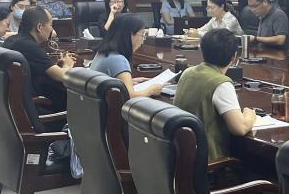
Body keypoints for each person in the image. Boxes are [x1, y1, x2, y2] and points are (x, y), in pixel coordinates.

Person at [174, 28, 257, 161]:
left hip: (182, 157)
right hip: (208, 162)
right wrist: (250, 115)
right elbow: (240, 128)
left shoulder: (188, 72)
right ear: (234, 57)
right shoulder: (221, 83)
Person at [4, 5, 76, 113]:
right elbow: (62, 76)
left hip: (15, 105)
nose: (52, 29)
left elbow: (37, 68)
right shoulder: (29, 46)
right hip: (36, 107)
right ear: (39, 27)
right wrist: (68, 64)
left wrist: (56, 65)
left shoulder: (12, 40)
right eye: (51, 25)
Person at [90, 14, 166, 99]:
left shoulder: (103, 53)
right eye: (142, 34)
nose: (143, 40)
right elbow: (130, 96)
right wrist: (151, 90)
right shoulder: (118, 59)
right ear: (129, 35)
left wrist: (128, 82)